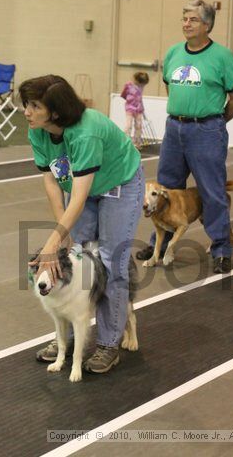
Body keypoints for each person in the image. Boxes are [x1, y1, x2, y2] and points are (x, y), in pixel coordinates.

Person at [19, 75, 144, 374]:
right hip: (84, 188)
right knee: (79, 258)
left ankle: (108, 344)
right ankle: (73, 338)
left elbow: (79, 197)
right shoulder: (38, 131)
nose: (27, 111)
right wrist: (61, 236)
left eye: (35, 105)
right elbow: (52, 181)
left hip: (120, 185)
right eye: (26, 104)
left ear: (57, 111)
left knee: (111, 262)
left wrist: (52, 242)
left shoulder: (85, 132)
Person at [136, 0, 233, 273]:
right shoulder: (173, 53)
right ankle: (158, 244)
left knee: (212, 191)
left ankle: (221, 249)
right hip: (175, 129)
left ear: (207, 25)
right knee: (164, 188)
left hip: (207, 130)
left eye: (193, 19)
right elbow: (171, 89)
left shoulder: (222, 57)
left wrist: (215, 123)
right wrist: (183, 115)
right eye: (184, 19)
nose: (186, 24)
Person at [121, 71, 149, 149]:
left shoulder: (141, 87)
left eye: (144, 84)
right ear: (137, 81)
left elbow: (140, 98)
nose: (143, 86)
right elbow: (123, 95)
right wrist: (130, 100)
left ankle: (137, 143)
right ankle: (125, 142)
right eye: (142, 84)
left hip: (138, 108)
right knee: (128, 125)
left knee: (139, 126)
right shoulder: (128, 86)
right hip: (130, 108)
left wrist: (142, 109)